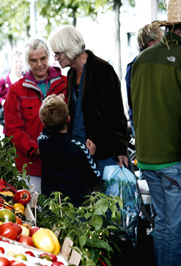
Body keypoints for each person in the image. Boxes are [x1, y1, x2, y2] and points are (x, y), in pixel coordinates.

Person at [130, 0, 181, 265]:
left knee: (162, 225)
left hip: (148, 157)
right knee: (176, 231)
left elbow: (134, 106)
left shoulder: (142, 58)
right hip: (175, 158)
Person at [48, 25, 129, 175]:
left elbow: (116, 113)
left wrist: (120, 149)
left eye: (58, 54)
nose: (56, 58)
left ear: (69, 49)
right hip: (81, 152)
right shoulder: (72, 73)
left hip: (104, 153)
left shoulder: (103, 70)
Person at [4, 38, 67, 193]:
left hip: (62, 162)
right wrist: (36, 149)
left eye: (43, 59)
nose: (39, 64)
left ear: (49, 57)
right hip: (31, 166)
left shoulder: (65, 84)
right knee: (35, 212)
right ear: (27, 61)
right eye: (33, 60)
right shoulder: (16, 90)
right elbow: (13, 129)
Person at [38, 94, 100, 207]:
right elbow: (95, 175)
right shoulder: (78, 147)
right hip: (74, 205)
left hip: (51, 204)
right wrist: (91, 154)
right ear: (68, 118)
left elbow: (45, 129)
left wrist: (52, 107)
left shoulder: (42, 142)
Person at [124, 23, 163, 135]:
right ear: (151, 43)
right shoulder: (136, 66)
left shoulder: (133, 66)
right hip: (148, 128)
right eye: (161, 40)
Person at [0, 50, 23, 134]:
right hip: (9, 126)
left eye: (21, 61)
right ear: (11, 63)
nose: (19, 64)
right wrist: (2, 101)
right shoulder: (4, 81)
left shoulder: (27, 80)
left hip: (25, 125)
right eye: (16, 61)